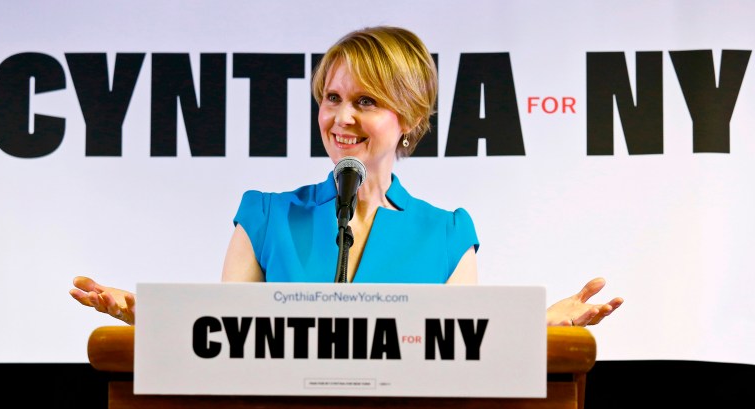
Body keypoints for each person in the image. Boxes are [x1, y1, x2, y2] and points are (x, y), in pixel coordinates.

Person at [70, 26, 623, 328]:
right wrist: (151, 321)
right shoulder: (264, 215)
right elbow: (226, 338)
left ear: (409, 118)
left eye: (365, 101)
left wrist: (539, 329)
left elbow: (464, 353)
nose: (341, 118)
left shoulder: (448, 233)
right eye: (331, 98)